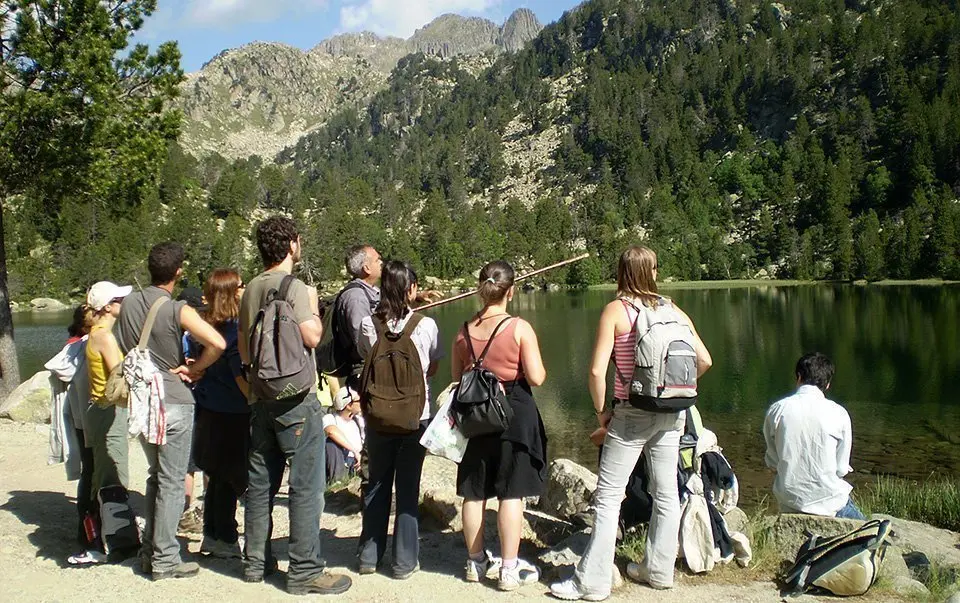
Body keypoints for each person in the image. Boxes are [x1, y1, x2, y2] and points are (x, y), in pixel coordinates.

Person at [550, 245, 713, 600]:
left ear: (621, 273)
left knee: (609, 499)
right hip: (672, 413)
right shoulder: (673, 309)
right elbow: (704, 360)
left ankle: (590, 583)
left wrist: (601, 413)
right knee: (666, 493)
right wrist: (676, 390)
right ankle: (658, 571)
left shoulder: (616, 311)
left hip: (631, 412)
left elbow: (596, 371)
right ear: (652, 272)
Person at [238, 216, 352, 595]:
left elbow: (243, 347)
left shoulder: (250, 288)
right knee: (305, 486)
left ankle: (255, 563)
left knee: (259, 484)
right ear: (291, 246)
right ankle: (304, 570)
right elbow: (313, 336)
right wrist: (316, 308)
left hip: (260, 397)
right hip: (296, 400)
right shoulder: (297, 287)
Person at [115, 242, 226, 580]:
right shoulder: (176, 308)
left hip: (142, 399)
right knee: (173, 480)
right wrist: (195, 369)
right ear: (178, 271)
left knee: (155, 476)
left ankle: (151, 549)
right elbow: (217, 343)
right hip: (173, 399)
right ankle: (165, 557)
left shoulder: (129, 303)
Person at [452, 260, 547, 592]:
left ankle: (475, 562)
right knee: (511, 493)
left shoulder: (463, 332)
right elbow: (536, 377)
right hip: (513, 414)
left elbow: (456, 380)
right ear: (511, 290)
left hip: (475, 417)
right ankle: (508, 569)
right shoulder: (519, 328)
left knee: (474, 492)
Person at [356, 261, 440, 579]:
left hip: (377, 415)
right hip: (415, 417)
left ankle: (368, 555)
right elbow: (431, 368)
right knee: (407, 487)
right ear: (412, 289)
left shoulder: (367, 324)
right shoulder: (427, 325)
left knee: (377, 482)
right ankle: (404, 562)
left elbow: (368, 355)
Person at [190, 269, 249, 559]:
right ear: (230, 292)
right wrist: (256, 399)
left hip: (208, 408)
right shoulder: (233, 331)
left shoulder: (205, 326)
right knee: (230, 477)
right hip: (233, 410)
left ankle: (212, 534)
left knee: (215, 474)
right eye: (240, 285)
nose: (244, 289)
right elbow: (240, 375)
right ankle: (225, 537)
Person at [763, 353, 865, 520]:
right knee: (871, 534)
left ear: (798, 377)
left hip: (789, 500)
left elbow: (773, 462)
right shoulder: (839, 414)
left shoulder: (777, 410)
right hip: (830, 502)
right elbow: (841, 468)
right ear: (828, 384)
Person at [76, 281, 133, 565]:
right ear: (108, 307)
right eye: (119, 299)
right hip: (107, 411)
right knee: (112, 475)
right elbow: (120, 377)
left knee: (102, 474)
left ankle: (102, 539)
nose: (124, 303)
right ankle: (113, 542)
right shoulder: (104, 337)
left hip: (100, 411)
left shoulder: (97, 334)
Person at [177, 285, 207, 535]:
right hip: (197, 400)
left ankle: (187, 512)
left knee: (189, 462)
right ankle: (190, 512)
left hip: (185, 399)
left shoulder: (173, 332)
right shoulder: (192, 335)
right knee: (197, 461)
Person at [323, 386, 364, 484]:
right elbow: (331, 432)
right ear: (349, 405)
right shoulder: (330, 418)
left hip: (357, 463)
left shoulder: (359, 420)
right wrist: (354, 451)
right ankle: (338, 482)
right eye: (358, 401)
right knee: (331, 443)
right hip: (341, 461)